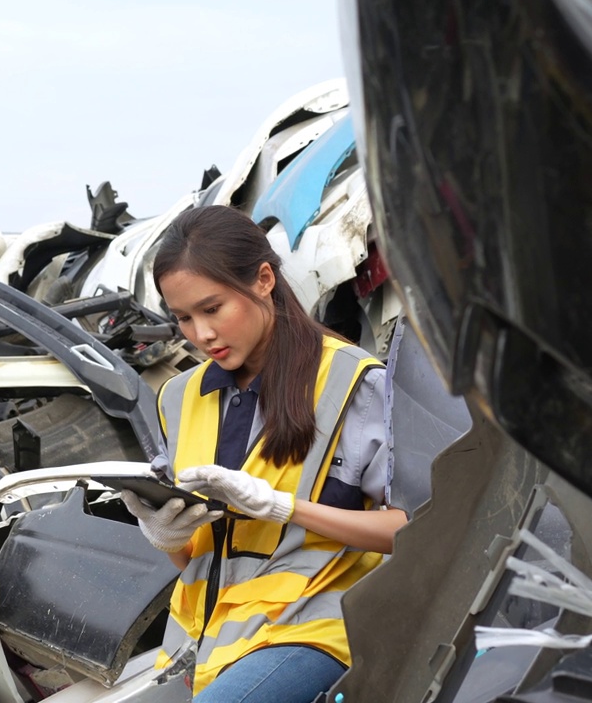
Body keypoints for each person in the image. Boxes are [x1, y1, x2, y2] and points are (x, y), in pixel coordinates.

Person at [121, 205, 408, 702]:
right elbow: (197, 559)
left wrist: (285, 507)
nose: (201, 334)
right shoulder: (178, 396)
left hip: (313, 629)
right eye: (183, 318)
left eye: (213, 309)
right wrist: (166, 536)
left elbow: (416, 532)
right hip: (206, 646)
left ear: (264, 280)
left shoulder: (354, 383)